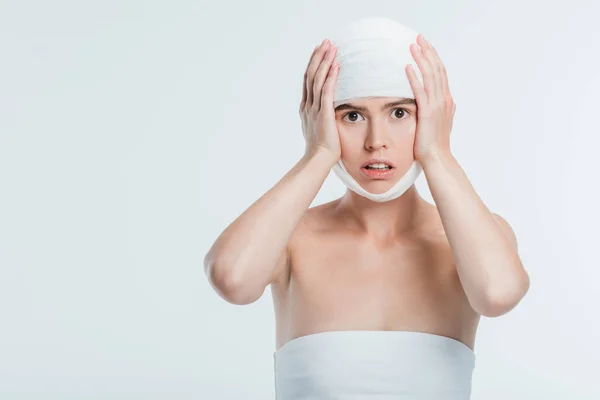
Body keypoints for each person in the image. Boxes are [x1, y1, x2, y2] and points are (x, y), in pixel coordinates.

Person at [204, 17, 530, 400]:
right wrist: (318, 154)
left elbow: (498, 294)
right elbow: (232, 280)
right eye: (352, 116)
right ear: (322, 119)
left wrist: (438, 152)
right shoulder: (291, 238)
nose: (377, 142)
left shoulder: (473, 238)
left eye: (399, 113)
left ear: (432, 117)